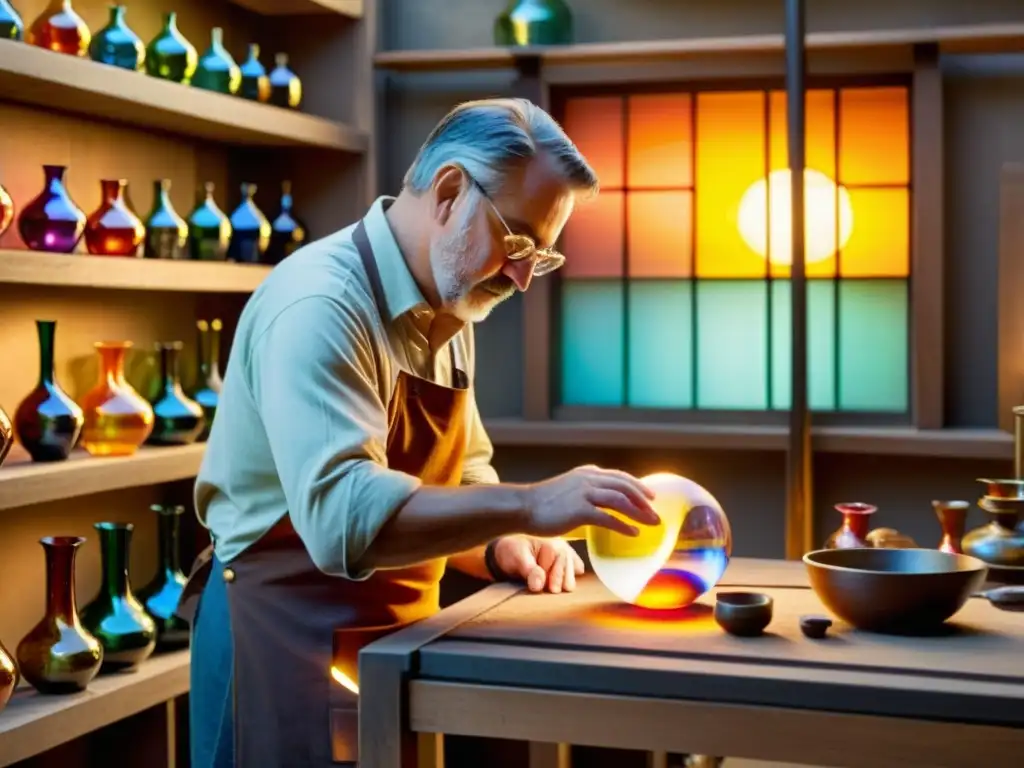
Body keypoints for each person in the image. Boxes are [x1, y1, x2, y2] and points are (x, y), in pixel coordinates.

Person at [177, 97, 660, 768]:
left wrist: (504, 545)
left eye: (541, 257)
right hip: (279, 640)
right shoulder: (321, 305)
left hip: (395, 649)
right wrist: (530, 505)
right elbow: (344, 519)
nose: (523, 278)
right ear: (451, 191)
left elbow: (462, 475)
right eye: (518, 241)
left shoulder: (450, 304)